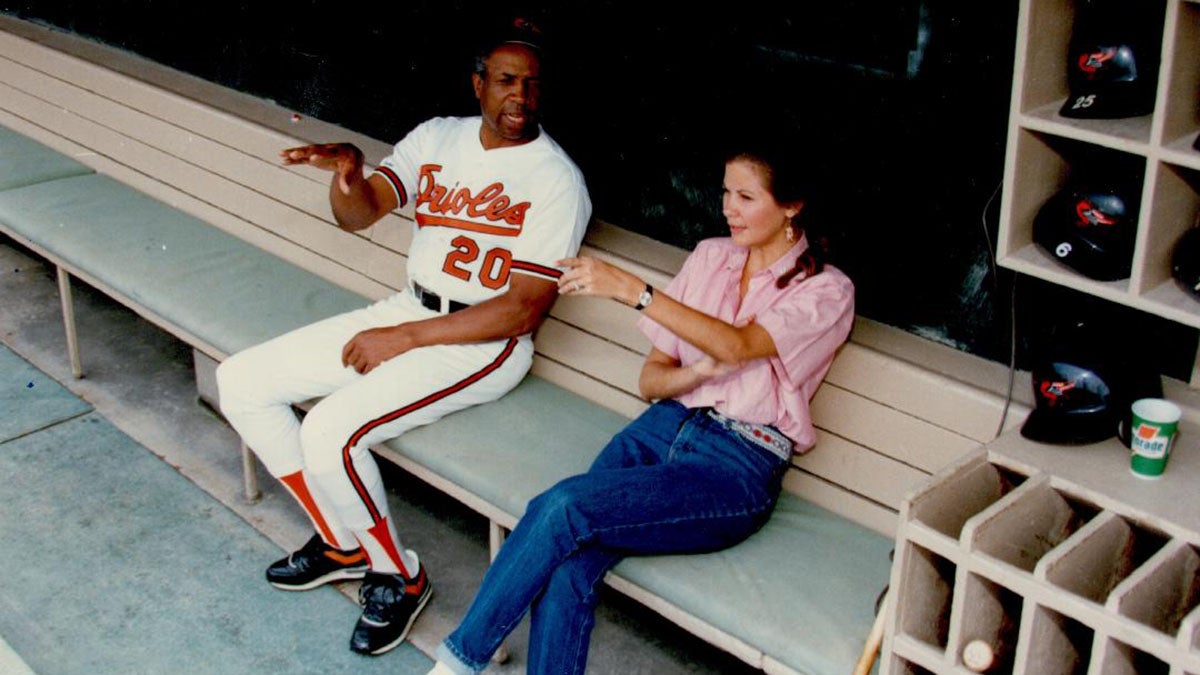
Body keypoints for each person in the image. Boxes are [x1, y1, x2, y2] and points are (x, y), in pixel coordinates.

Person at [215, 18, 591, 657]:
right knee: (241, 382)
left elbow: (522, 311)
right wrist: (348, 176)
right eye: (505, 81)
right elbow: (358, 214)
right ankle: (341, 542)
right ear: (478, 84)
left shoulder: (556, 179)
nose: (519, 97)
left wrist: (405, 338)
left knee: (330, 431)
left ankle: (397, 575)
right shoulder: (436, 138)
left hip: (482, 342)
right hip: (409, 309)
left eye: (531, 85)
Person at [426, 143, 856, 674]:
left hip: (733, 465)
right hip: (659, 427)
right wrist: (695, 375)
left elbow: (740, 346)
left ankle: (456, 664)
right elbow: (651, 381)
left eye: (746, 196)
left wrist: (634, 290)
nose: (728, 208)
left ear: (791, 206)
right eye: (725, 192)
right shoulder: (711, 257)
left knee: (563, 506)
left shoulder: (827, 291)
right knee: (568, 563)